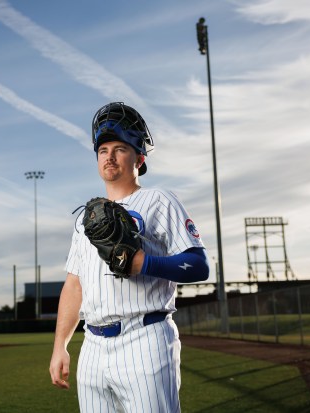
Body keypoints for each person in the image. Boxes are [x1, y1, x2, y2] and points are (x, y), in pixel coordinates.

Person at [49, 102, 209, 412]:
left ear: (139, 158)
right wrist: (60, 347)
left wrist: (144, 263)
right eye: (103, 149)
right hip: (92, 346)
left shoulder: (158, 200)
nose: (109, 155)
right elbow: (74, 286)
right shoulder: (87, 219)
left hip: (145, 338)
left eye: (120, 148)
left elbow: (199, 265)